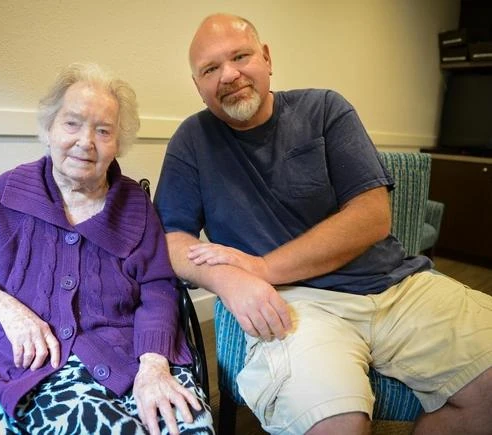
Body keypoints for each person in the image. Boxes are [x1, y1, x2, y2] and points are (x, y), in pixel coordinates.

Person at [153, 13, 492, 435]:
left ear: (266, 57)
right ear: (198, 86)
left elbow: (371, 216)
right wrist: (229, 281)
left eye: (240, 56)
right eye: (210, 69)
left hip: (396, 287)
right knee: (336, 423)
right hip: (295, 304)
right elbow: (170, 238)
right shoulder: (192, 139)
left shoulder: (325, 109)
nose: (229, 75)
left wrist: (261, 267)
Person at [0, 63, 214, 435]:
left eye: (103, 130)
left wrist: (153, 365)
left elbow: (158, 288)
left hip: (132, 352)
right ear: (48, 129)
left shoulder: (135, 204)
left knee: (190, 424)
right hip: (36, 364)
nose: (86, 141)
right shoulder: (9, 193)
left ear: (118, 143)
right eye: (72, 123)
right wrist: (7, 309)